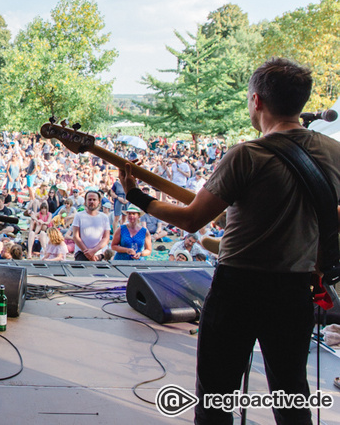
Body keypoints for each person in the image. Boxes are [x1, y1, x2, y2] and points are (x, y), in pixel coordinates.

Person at [120, 58, 340, 424]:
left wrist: (137, 196)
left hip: (239, 286)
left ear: (257, 101)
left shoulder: (247, 155)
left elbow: (192, 219)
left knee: (217, 393)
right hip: (296, 288)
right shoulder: (334, 154)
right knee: (291, 391)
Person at [70, 190, 110, 261]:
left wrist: (94, 251)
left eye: (94, 200)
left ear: (99, 202)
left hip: (98, 253)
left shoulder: (104, 217)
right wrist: (87, 252)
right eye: (89, 199)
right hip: (81, 253)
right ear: (85, 201)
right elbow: (76, 237)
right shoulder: (78, 216)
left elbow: (106, 238)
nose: (92, 202)